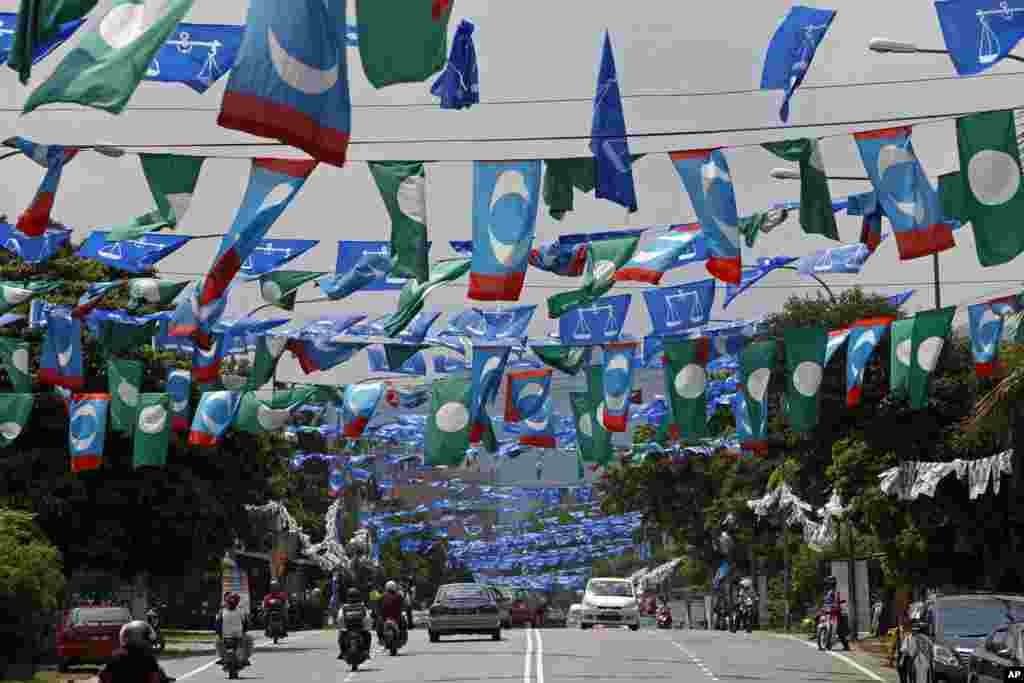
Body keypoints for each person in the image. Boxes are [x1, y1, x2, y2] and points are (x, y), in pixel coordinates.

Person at [98, 620, 175, 683]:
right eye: (147, 639)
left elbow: (102, 677)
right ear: (141, 639)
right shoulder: (148, 659)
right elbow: (158, 677)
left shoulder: (114, 657)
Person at [215, 593, 252, 667]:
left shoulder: (222, 611)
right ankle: (244, 658)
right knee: (248, 639)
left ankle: (223, 657)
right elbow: (246, 623)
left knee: (218, 642)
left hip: (227, 636)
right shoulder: (241, 611)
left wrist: (219, 634)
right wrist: (244, 631)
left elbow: (217, 624)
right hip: (237, 636)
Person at [337, 588, 372, 660]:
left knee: (341, 637)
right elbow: (368, 619)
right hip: (359, 629)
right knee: (368, 635)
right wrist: (366, 628)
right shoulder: (362, 606)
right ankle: (367, 652)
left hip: (348, 629)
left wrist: (342, 628)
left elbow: (340, 619)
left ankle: (342, 652)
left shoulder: (344, 607)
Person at [378, 581, 407, 646]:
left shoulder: (382, 596)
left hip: (388, 618)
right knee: (403, 624)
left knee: (379, 624)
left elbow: (378, 607)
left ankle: (381, 639)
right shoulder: (398, 596)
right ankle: (403, 638)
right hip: (395, 617)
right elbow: (403, 605)